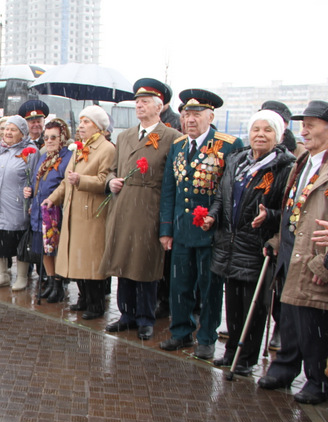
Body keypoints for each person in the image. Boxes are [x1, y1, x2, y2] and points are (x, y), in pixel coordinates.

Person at [200, 110, 294, 375]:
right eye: (256, 129)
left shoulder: (284, 167)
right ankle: (231, 350)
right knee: (233, 302)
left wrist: (271, 216)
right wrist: (212, 217)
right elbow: (221, 196)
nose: (260, 135)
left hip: (257, 244)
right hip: (229, 242)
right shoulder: (236, 160)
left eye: (267, 130)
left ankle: (246, 357)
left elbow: (287, 210)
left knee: (254, 303)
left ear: (278, 135)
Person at [159, 89, 244, 358]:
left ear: (210, 116)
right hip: (183, 229)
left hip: (211, 232)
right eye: (186, 115)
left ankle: (207, 337)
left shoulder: (229, 145)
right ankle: (181, 332)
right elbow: (169, 191)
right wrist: (166, 229)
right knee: (179, 285)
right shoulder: (178, 146)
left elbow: (231, 192)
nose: (190, 120)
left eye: (196, 115)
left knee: (209, 288)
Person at [257, 101, 328, 404]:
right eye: (304, 123)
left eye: (312, 124)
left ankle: (317, 379)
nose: (304, 129)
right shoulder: (302, 163)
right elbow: (293, 209)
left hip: (315, 257)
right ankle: (285, 368)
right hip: (290, 250)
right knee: (288, 315)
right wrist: (275, 235)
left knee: (312, 321)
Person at [101, 79, 180, 339]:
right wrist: (110, 181)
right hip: (123, 206)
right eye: (137, 102)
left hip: (150, 206)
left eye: (145, 102)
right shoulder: (124, 137)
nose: (139, 106)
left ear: (160, 107)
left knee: (146, 264)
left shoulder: (172, 138)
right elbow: (114, 168)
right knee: (123, 261)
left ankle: (146, 317)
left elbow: (173, 180)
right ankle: (126, 313)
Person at [42, 105, 115, 319]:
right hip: (74, 211)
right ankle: (83, 297)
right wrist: (52, 198)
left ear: (99, 127)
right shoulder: (80, 148)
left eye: (87, 122)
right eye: (81, 121)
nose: (81, 126)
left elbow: (105, 180)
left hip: (92, 213)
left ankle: (96, 303)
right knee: (78, 258)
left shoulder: (107, 149)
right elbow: (67, 180)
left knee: (92, 260)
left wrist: (82, 180)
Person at [0, 116, 39, 290]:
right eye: (6, 129)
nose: (8, 133)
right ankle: (2, 275)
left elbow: (35, 177)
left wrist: (32, 196)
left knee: (19, 242)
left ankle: (22, 276)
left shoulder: (30, 151)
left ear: (22, 133)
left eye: (13, 129)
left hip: (17, 205)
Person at [23, 118, 72, 302]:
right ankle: (50, 282)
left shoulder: (67, 157)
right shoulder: (43, 157)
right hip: (39, 211)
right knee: (44, 250)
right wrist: (31, 195)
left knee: (55, 250)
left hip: (55, 212)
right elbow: (37, 182)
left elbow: (64, 185)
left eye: (54, 137)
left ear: (62, 138)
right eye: (46, 137)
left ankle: (58, 285)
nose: (49, 141)